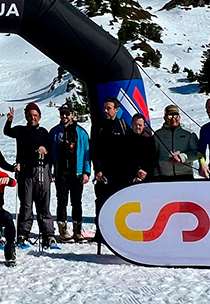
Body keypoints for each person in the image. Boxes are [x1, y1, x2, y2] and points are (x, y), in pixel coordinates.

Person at [4, 102, 56, 249]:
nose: (32, 117)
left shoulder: (44, 132)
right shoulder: (20, 130)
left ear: (39, 116)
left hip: (41, 170)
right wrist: (9, 120)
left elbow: (52, 152)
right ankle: (23, 233)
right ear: (26, 116)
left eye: (35, 115)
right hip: (25, 172)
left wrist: (45, 151)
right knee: (26, 204)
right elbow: (7, 132)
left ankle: (48, 234)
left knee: (43, 203)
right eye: (30, 115)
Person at [90, 97, 131, 241]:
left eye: (109, 108)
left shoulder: (123, 126)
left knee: (118, 202)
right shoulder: (98, 126)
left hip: (120, 174)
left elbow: (131, 150)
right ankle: (100, 232)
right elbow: (93, 150)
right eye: (104, 108)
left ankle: (119, 232)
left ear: (116, 110)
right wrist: (97, 169)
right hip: (103, 173)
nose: (106, 111)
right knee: (101, 202)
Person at [49, 105, 90, 243]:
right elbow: (50, 153)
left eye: (67, 114)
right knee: (62, 201)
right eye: (62, 114)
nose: (64, 116)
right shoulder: (55, 132)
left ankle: (77, 231)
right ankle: (63, 231)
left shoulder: (81, 133)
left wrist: (86, 172)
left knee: (76, 202)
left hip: (76, 173)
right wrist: (51, 171)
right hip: (61, 172)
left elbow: (86, 154)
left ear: (73, 115)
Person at [153, 105, 200, 180]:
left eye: (176, 116)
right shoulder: (158, 134)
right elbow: (154, 156)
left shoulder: (189, 134)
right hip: (164, 175)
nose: (173, 119)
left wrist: (181, 157)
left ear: (179, 117)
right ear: (165, 118)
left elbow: (197, 153)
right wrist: (156, 174)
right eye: (170, 116)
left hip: (185, 174)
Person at [127, 113, 157, 183]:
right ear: (132, 123)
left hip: (148, 177)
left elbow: (153, 159)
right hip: (131, 178)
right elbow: (125, 160)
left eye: (140, 125)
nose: (137, 127)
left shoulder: (149, 140)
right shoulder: (126, 139)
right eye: (135, 124)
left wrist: (144, 173)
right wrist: (136, 171)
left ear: (144, 125)